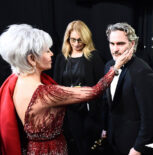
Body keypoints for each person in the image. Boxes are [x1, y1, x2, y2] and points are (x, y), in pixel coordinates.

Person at [0, 24, 133, 155]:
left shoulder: (15, 82)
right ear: (32, 59)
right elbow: (94, 91)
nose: (51, 53)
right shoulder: (44, 93)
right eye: (47, 51)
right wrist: (115, 68)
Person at [102, 22, 153, 155]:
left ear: (132, 44)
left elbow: (149, 115)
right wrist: (105, 129)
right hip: (113, 140)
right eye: (112, 43)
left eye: (120, 44)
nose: (115, 49)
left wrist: (138, 147)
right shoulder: (108, 66)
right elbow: (108, 103)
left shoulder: (142, 70)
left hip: (133, 144)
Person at [53, 20, 105, 155]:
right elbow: (56, 87)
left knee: (88, 149)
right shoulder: (61, 58)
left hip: (89, 111)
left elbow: (102, 87)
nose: (76, 44)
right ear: (67, 39)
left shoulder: (93, 57)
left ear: (86, 39)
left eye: (80, 40)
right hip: (69, 111)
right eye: (73, 40)